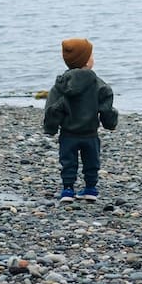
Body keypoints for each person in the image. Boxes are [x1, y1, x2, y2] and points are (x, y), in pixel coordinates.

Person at [42, 38, 118, 202]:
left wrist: (50, 128)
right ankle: (90, 188)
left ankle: (68, 189)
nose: (93, 58)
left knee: (68, 161)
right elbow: (106, 108)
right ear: (86, 61)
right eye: (91, 55)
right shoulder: (99, 84)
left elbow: (52, 109)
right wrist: (110, 123)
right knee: (92, 162)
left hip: (68, 133)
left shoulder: (61, 85)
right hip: (90, 133)